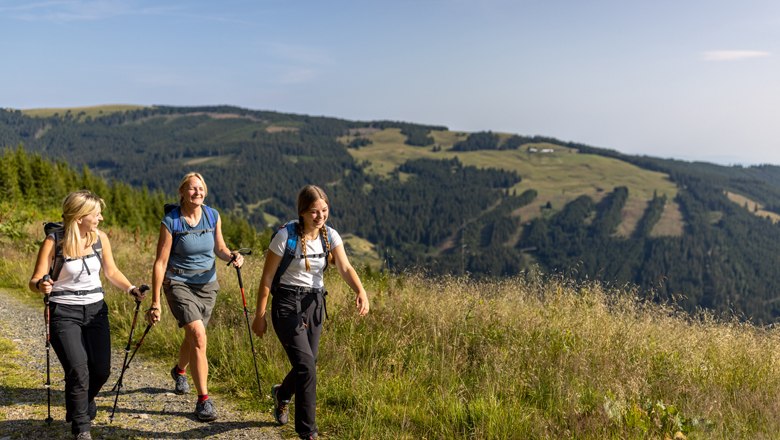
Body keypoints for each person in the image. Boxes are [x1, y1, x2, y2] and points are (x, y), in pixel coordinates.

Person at [251, 184, 370, 440]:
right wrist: (259, 316)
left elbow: (345, 268)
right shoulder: (285, 236)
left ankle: (282, 394)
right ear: (302, 212)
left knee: (308, 365)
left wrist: (360, 291)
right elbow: (267, 278)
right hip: (286, 303)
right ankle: (308, 433)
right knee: (306, 366)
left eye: (324, 210)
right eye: (314, 212)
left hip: (315, 304)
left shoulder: (331, 236)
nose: (320, 216)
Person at [29, 190, 147, 440]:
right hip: (63, 311)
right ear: (81, 216)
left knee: (101, 370)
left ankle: (79, 403)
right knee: (78, 370)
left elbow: (111, 271)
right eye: (96, 214)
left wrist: (131, 289)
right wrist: (42, 285)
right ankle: (81, 428)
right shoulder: (54, 241)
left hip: (96, 309)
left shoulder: (100, 238)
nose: (100, 218)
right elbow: (35, 279)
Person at [145, 172, 244, 422]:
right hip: (178, 283)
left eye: (200, 188)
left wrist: (232, 256)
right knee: (199, 335)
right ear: (182, 192)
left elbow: (219, 248)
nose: (197, 192)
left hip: (208, 285)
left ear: (205, 192)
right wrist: (155, 301)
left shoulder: (212, 216)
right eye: (192, 189)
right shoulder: (171, 221)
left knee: (193, 337)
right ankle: (204, 401)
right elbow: (160, 263)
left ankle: (180, 371)